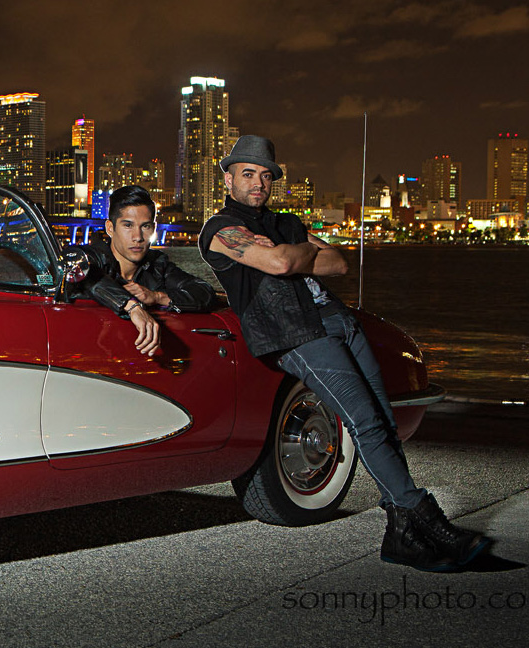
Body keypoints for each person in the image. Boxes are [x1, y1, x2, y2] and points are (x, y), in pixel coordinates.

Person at [197, 135, 489, 572]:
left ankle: (400, 535)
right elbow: (278, 264)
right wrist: (298, 254)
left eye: (264, 175)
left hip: (337, 321)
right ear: (228, 177)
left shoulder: (285, 223)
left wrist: (295, 254)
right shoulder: (221, 229)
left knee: (384, 421)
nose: (257, 183)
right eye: (247, 174)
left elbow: (337, 263)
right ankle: (427, 520)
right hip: (294, 334)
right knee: (363, 421)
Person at [80, 185, 218, 356]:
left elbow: (204, 292)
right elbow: (86, 276)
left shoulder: (157, 265)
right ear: (110, 228)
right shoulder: (91, 259)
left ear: (153, 228)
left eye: (145, 227)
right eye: (128, 225)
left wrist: (156, 297)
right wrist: (132, 306)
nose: (137, 237)